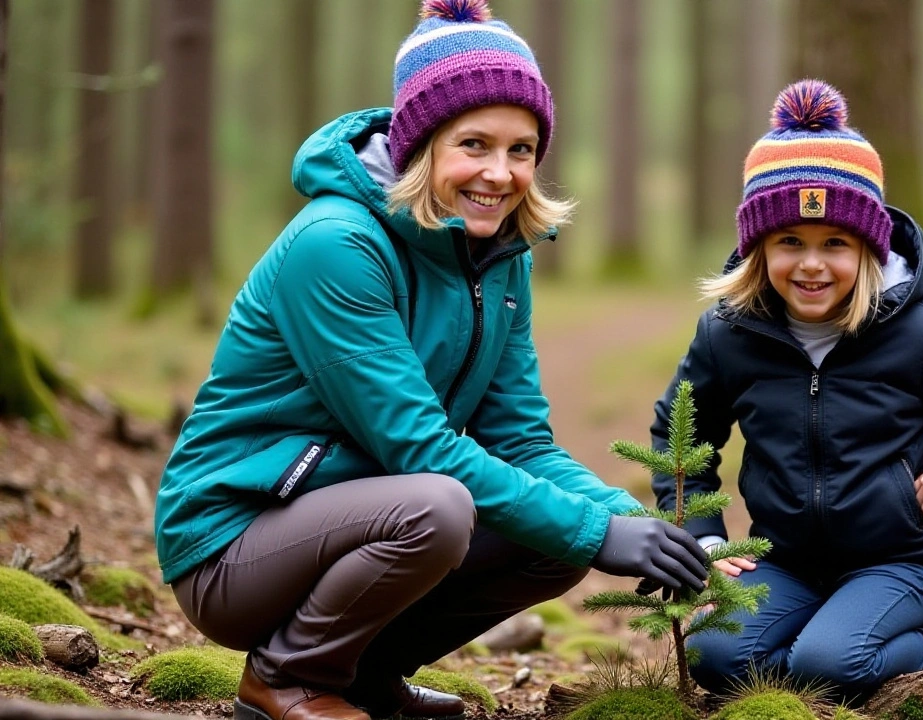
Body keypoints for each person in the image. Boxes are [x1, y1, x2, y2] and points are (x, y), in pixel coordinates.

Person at [154, 3, 708, 720]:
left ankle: (362, 677)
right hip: (232, 544)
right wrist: (603, 533)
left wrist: (631, 524)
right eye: (473, 144)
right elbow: (417, 446)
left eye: (522, 149)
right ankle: (286, 678)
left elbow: (522, 441)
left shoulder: (499, 256)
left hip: (360, 516)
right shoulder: (337, 244)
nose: (500, 173)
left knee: (554, 542)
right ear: (420, 142)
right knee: (442, 506)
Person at [649, 79, 923, 712]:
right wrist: (707, 540)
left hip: (903, 561)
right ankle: (832, 630)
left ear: (868, 249)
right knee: (716, 655)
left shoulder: (919, 331)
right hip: (784, 560)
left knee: (828, 664)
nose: (811, 265)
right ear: (758, 246)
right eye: (789, 241)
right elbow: (681, 434)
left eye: (835, 244)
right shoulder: (729, 335)